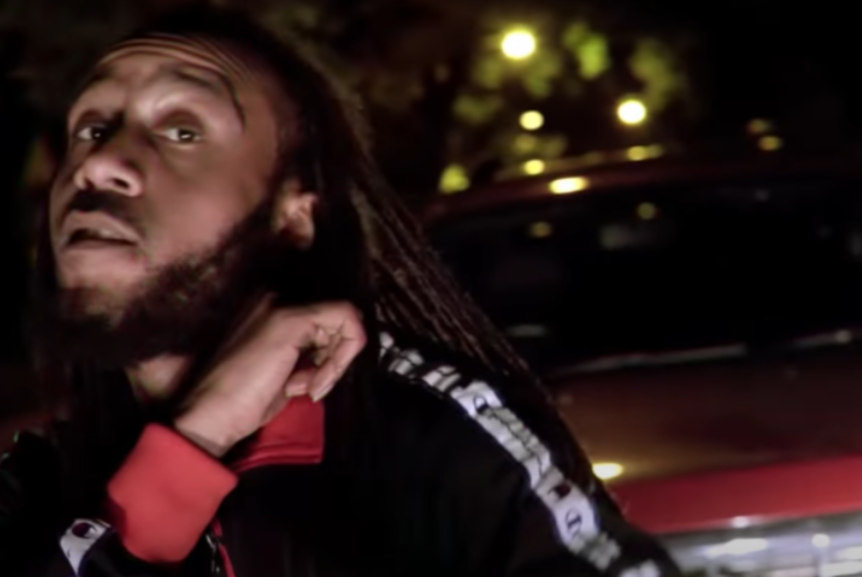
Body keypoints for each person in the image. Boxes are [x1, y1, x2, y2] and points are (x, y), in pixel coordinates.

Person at [0, 6, 680, 577]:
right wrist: (196, 437)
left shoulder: (432, 439)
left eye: (183, 131)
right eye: (92, 128)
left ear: (293, 214)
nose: (101, 162)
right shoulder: (36, 482)